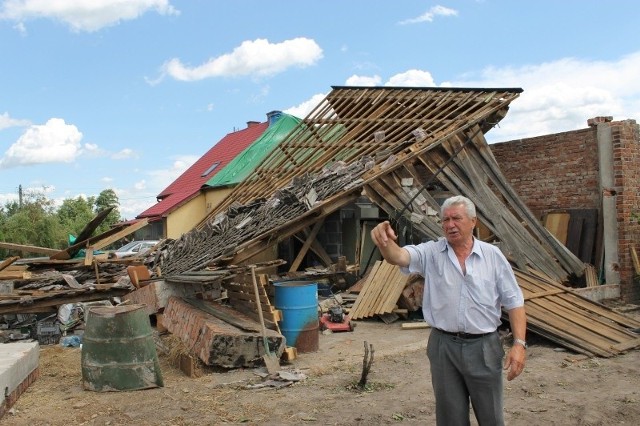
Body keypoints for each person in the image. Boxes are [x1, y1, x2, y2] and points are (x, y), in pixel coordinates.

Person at [370, 195, 527, 426]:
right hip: (444, 348)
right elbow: (399, 256)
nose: (450, 224)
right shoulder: (432, 253)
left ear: (473, 221)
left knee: (492, 417)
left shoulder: (493, 257)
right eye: (445, 220)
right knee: (450, 419)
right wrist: (384, 241)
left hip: (484, 347)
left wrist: (519, 344)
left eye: (456, 218)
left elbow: (514, 301)